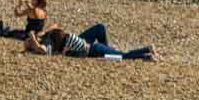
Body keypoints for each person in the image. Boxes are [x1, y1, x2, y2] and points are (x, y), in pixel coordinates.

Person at [27, 27, 158, 61]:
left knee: (123, 56)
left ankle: (147, 53)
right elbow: (41, 49)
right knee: (122, 56)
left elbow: (41, 49)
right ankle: (147, 52)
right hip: (95, 50)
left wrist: (33, 36)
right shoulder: (60, 39)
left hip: (96, 50)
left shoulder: (53, 42)